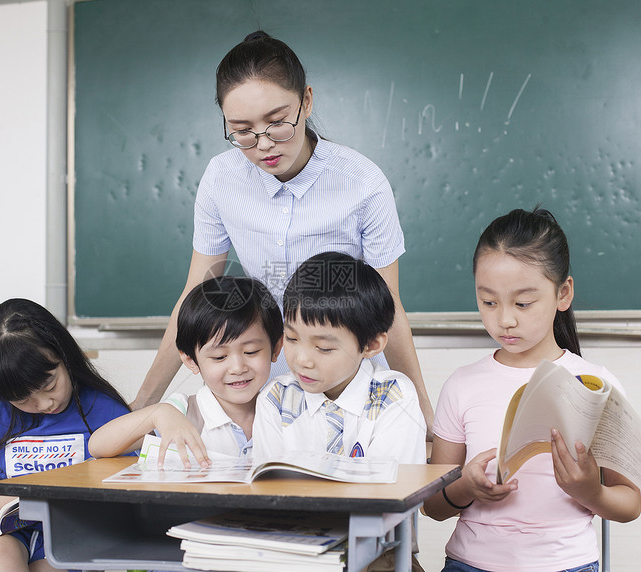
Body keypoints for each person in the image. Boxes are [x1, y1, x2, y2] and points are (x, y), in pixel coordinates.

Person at [132, 30, 434, 435]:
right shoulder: (221, 179)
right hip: (259, 382)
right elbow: (196, 292)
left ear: (306, 101)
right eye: (242, 130)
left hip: (342, 380)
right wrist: (143, 404)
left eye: (277, 123)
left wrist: (424, 415)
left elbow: (388, 305)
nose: (263, 145)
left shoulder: (361, 182)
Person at [423, 208, 641, 572]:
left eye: (523, 303)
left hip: (566, 564)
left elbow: (630, 503)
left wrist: (591, 492)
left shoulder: (596, 385)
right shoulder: (462, 384)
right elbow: (432, 506)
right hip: (470, 563)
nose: (504, 319)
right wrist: (467, 487)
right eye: (488, 302)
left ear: (563, 293)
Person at [0, 299, 132, 572]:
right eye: (22, 399)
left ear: (63, 356)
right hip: (5, 531)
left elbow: (133, 486)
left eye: (50, 385)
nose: (44, 404)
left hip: (77, 536)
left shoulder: (100, 409)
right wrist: (22, 499)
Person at [252, 252, 428, 463]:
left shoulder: (393, 397)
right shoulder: (276, 399)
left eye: (324, 348)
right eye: (291, 338)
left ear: (371, 345)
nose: (302, 361)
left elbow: (389, 489)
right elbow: (268, 484)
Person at [89, 276, 283, 463]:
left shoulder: (287, 406)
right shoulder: (183, 412)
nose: (238, 367)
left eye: (251, 351)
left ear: (275, 348)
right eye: (219, 357)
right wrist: (159, 413)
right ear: (190, 360)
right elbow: (97, 445)